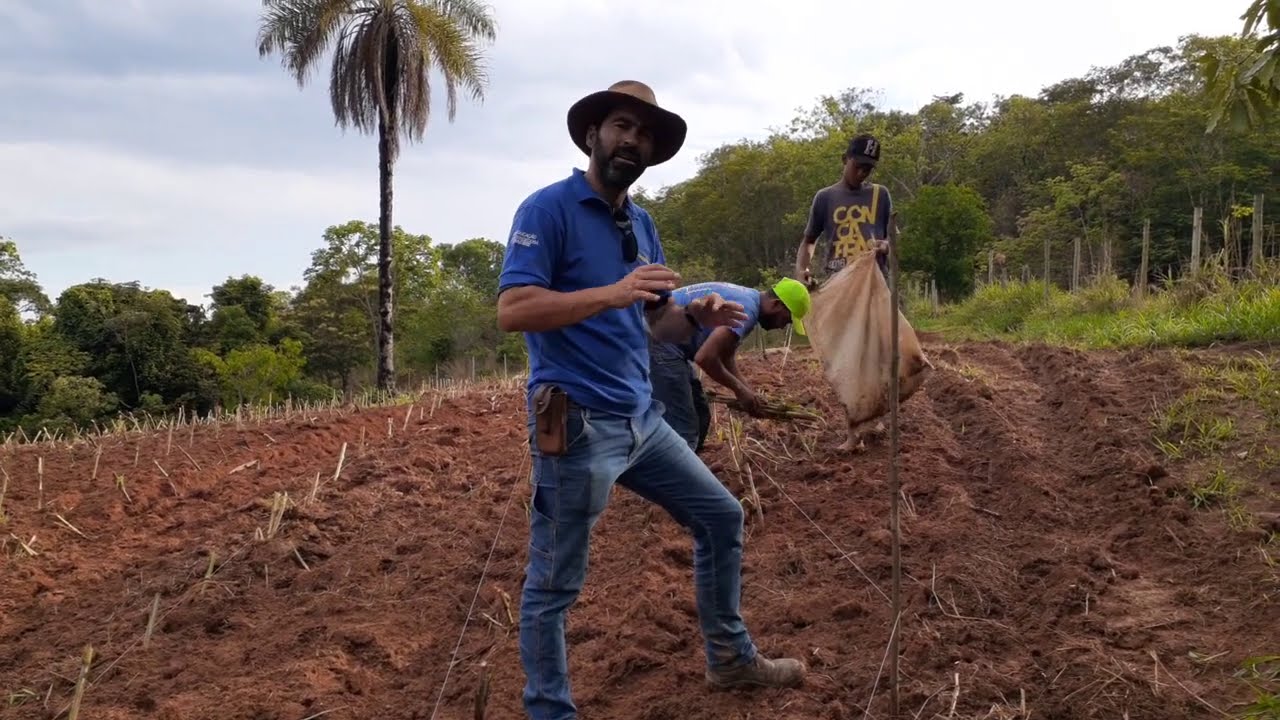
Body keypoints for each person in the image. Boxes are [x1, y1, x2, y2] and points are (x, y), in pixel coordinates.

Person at [496, 80, 806, 720]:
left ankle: (730, 659)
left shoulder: (640, 223)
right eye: (621, 125)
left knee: (721, 518)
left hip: (642, 420)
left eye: (644, 133)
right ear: (592, 134)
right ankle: (550, 711)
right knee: (554, 584)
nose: (631, 139)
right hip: (578, 423)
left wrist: (694, 316)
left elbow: (656, 323)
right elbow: (514, 310)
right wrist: (612, 293)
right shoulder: (547, 210)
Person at [649, 278, 811, 453]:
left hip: (667, 343)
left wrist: (748, 391)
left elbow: (726, 356)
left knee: (701, 413)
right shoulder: (747, 309)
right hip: (658, 343)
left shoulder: (748, 298)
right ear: (776, 304)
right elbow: (705, 358)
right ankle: (670, 465)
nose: (782, 327)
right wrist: (739, 390)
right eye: (786, 320)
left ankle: (691, 458)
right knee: (684, 427)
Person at [793, 133, 893, 287]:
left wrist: (886, 246)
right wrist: (802, 270)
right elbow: (809, 241)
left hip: (873, 282)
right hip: (838, 281)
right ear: (845, 159)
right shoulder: (825, 197)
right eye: (857, 166)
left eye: (867, 169)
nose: (861, 173)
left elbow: (893, 240)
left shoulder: (880, 195)